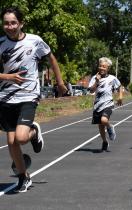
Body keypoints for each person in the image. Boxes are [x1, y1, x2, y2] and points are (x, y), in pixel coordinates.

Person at [0, 7, 67, 192]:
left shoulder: (34, 41)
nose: (10, 26)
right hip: (5, 98)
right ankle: (24, 177)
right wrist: (8, 77)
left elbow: (51, 59)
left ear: (21, 23)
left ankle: (34, 132)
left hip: (28, 96)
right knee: (11, 142)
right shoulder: (0, 44)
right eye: (6, 23)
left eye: (13, 22)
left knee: (21, 138)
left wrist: (60, 83)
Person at [88, 57, 123, 152]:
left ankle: (110, 127)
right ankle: (104, 141)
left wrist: (120, 97)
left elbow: (119, 86)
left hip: (108, 104)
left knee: (104, 120)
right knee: (100, 125)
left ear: (108, 68)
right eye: (100, 66)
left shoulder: (112, 78)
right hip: (97, 105)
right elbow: (91, 90)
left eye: (104, 66)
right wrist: (97, 81)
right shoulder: (94, 78)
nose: (101, 68)